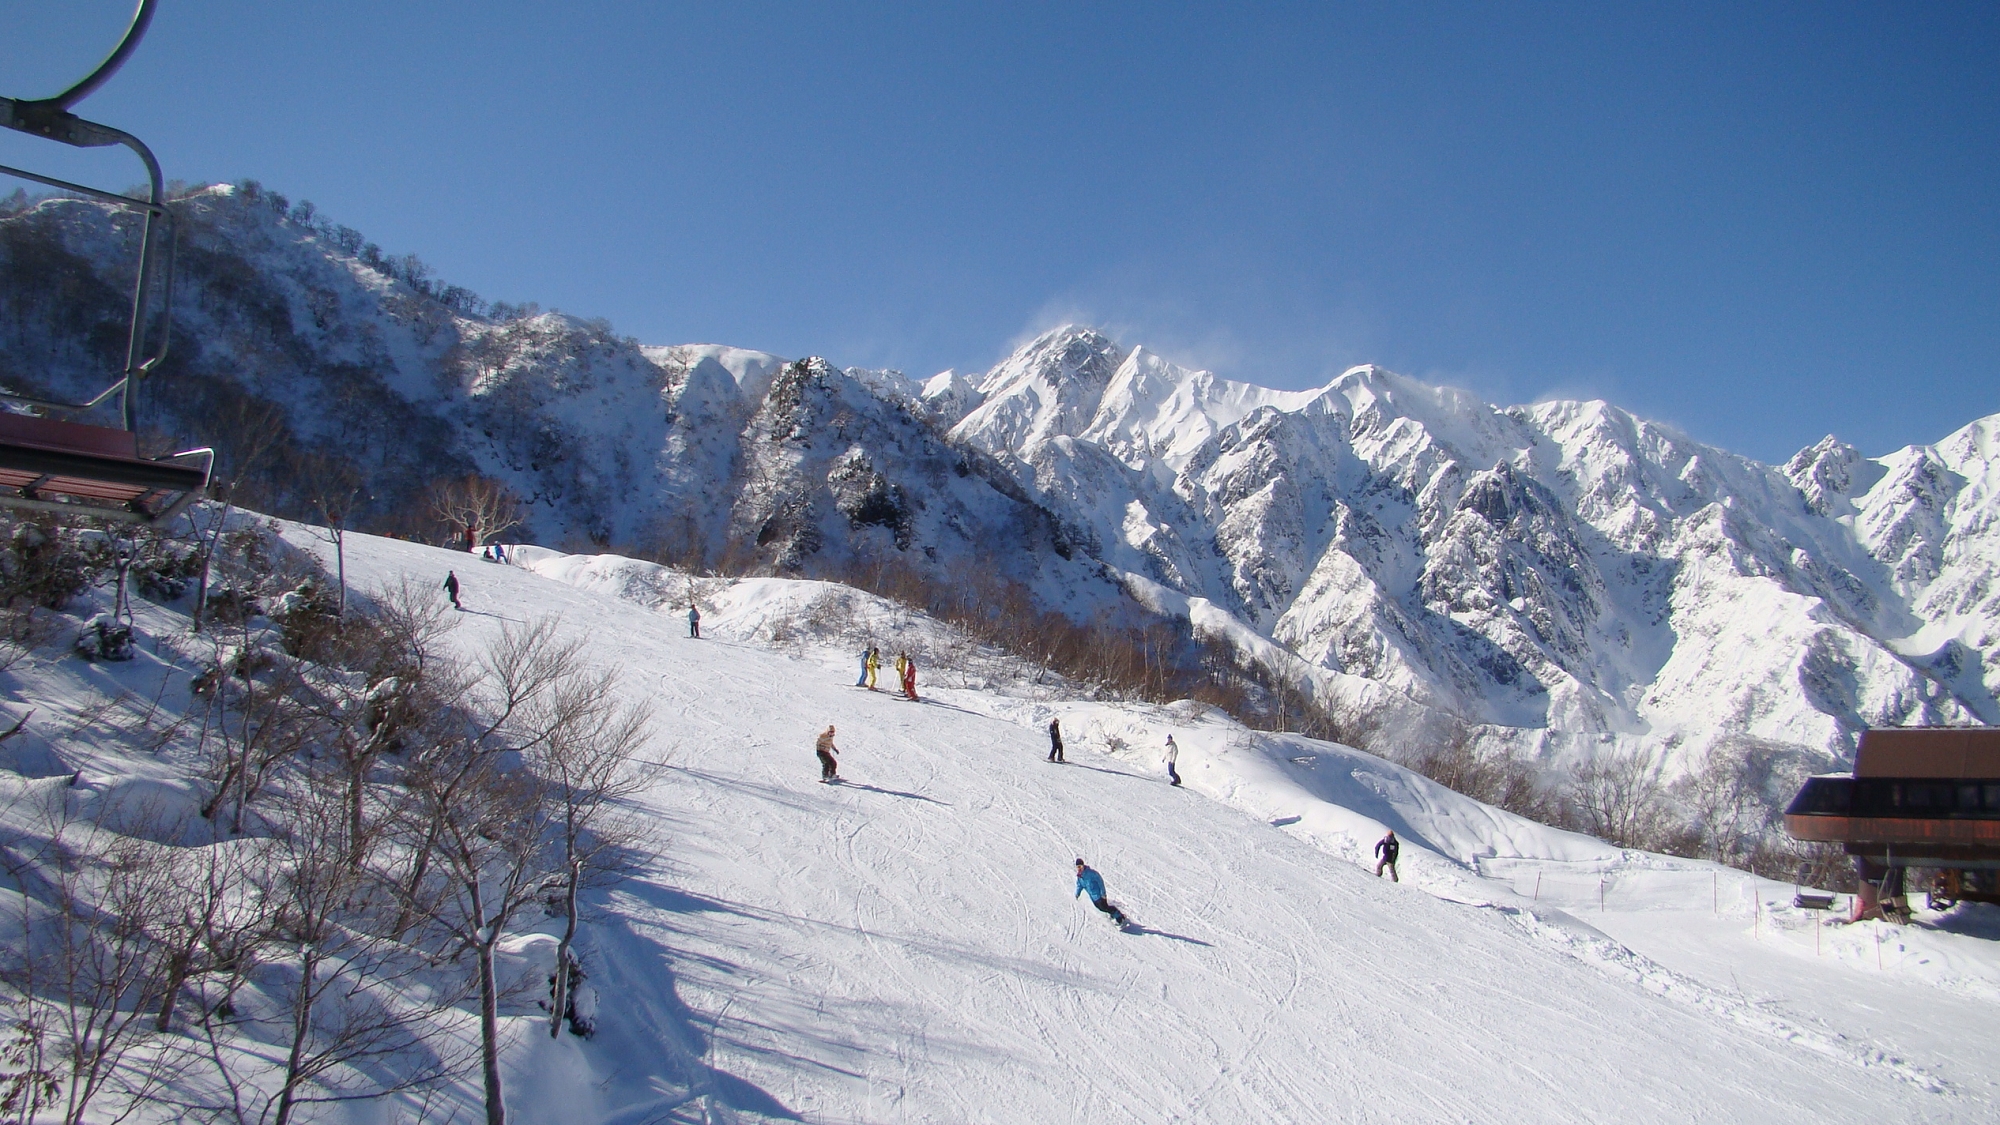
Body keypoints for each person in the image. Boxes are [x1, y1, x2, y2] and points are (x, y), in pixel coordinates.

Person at [1074, 859, 1128, 927]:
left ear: (1083, 866)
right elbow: (1080, 885)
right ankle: (1114, 914)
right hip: (1093, 897)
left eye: (1080, 867)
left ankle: (1119, 917)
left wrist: (1103, 894)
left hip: (1099, 895)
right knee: (1101, 908)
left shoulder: (1091, 873)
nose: (1079, 869)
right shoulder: (1080, 877)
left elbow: (1100, 882)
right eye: (1078, 867)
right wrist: (1077, 893)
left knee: (1104, 907)